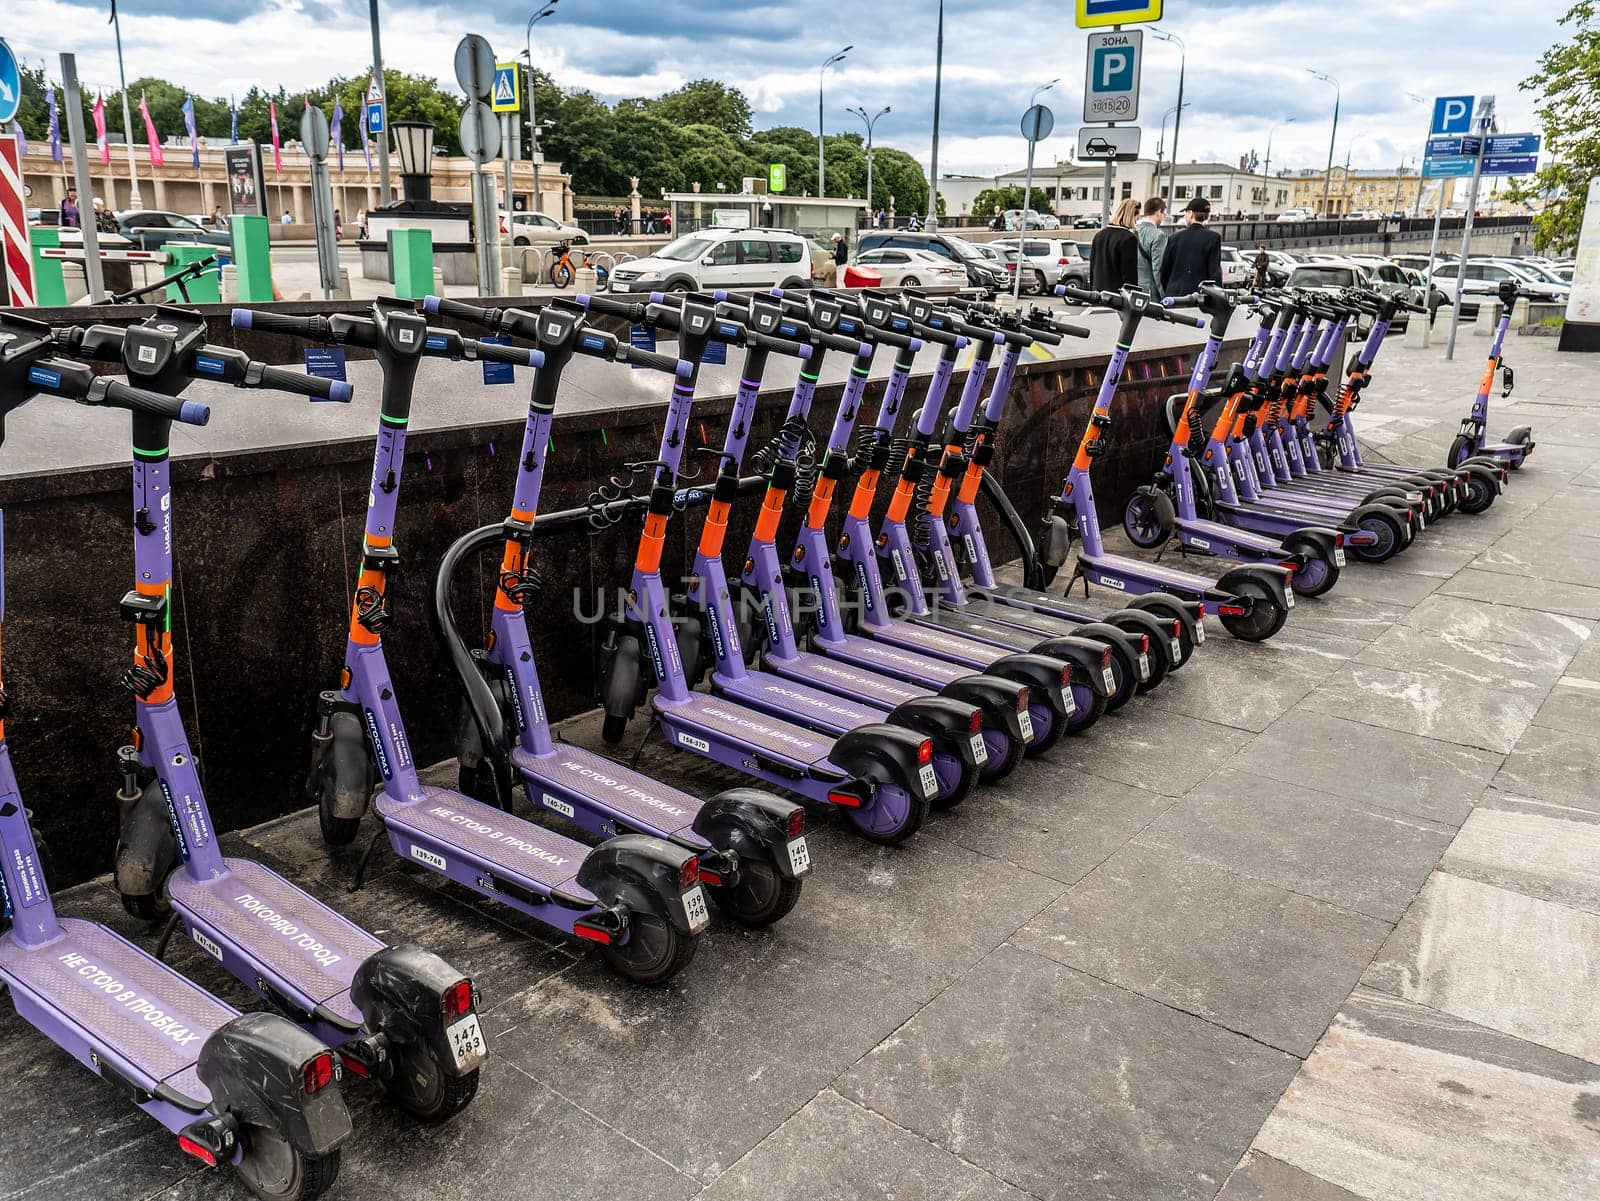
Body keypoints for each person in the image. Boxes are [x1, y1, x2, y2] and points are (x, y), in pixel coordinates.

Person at [1160, 196, 1223, 298]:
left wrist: (1169, 288)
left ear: (1191, 214)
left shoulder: (1174, 238)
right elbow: (1214, 272)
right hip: (1200, 297)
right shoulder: (1214, 238)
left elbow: (1164, 271)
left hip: (1175, 295)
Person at [1089, 198, 1140, 291]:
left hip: (1097, 293)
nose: (1137, 221)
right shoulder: (1129, 238)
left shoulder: (1099, 235)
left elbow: (1092, 268)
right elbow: (1129, 275)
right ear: (1132, 215)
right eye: (1137, 217)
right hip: (1116, 297)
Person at [1135, 196, 1167, 297]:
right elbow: (1158, 269)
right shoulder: (1158, 235)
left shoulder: (1133, 231)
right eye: (1163, 214)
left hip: (1133, 289)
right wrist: (1164, 295)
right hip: (1150, 292)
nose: (1163, 217)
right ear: (1158, 212)